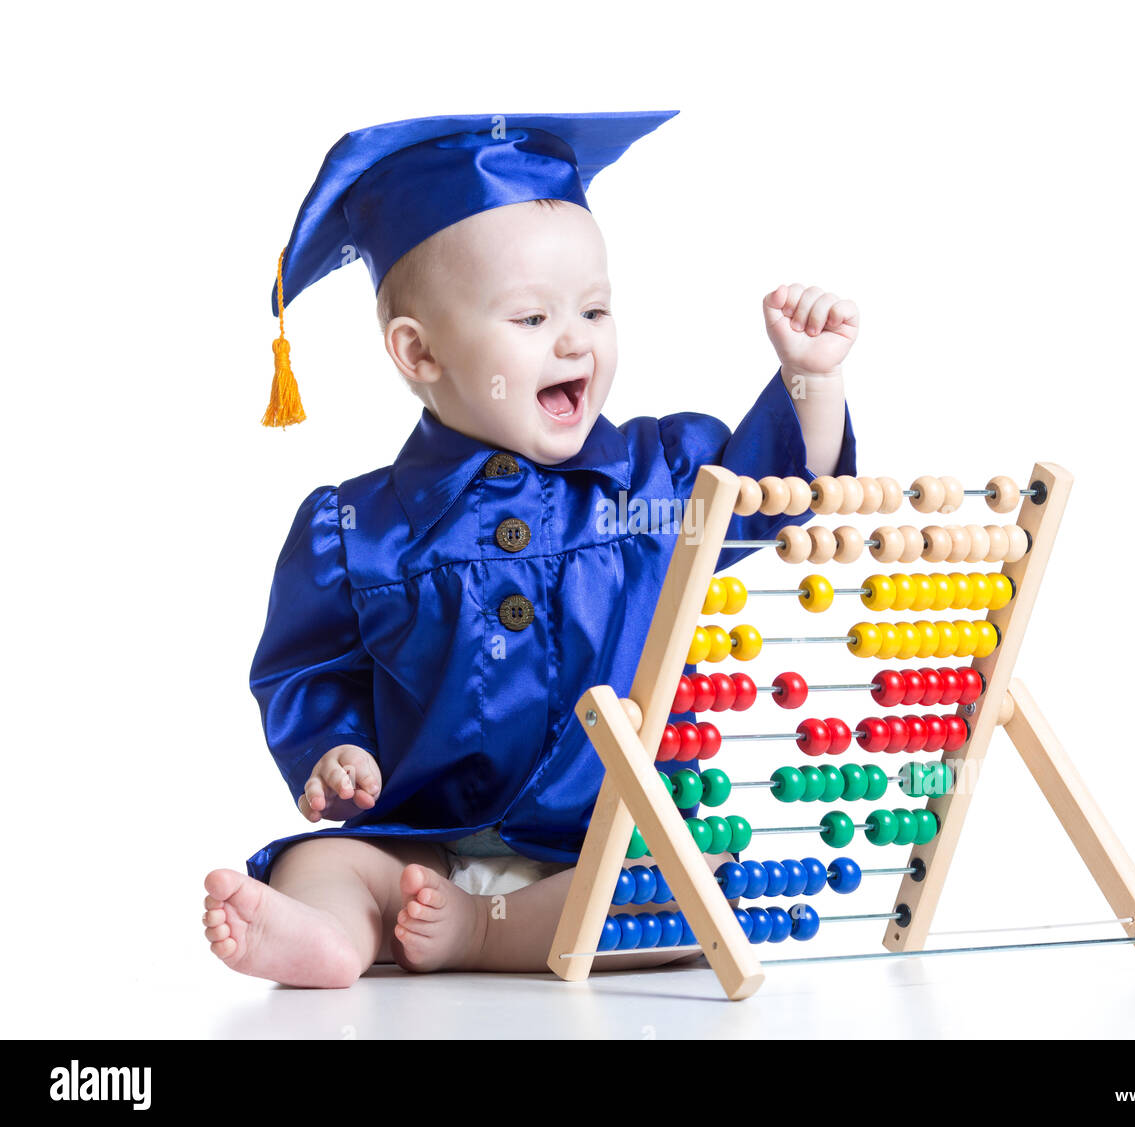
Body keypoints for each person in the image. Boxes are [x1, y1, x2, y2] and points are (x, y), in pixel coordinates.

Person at [202, 111, 860, 987]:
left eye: (594, 308)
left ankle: (480, 934)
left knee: (691, 889)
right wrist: (335, 754)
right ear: (420, 352)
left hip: (593, 841)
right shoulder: (356, 529)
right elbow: (305, 672)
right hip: (416, 843)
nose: (575, 338)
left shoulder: (655, 485)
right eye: (532, 316)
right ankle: (336, 932)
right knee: (320, 865)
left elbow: (776, 501)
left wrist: (810, 381)